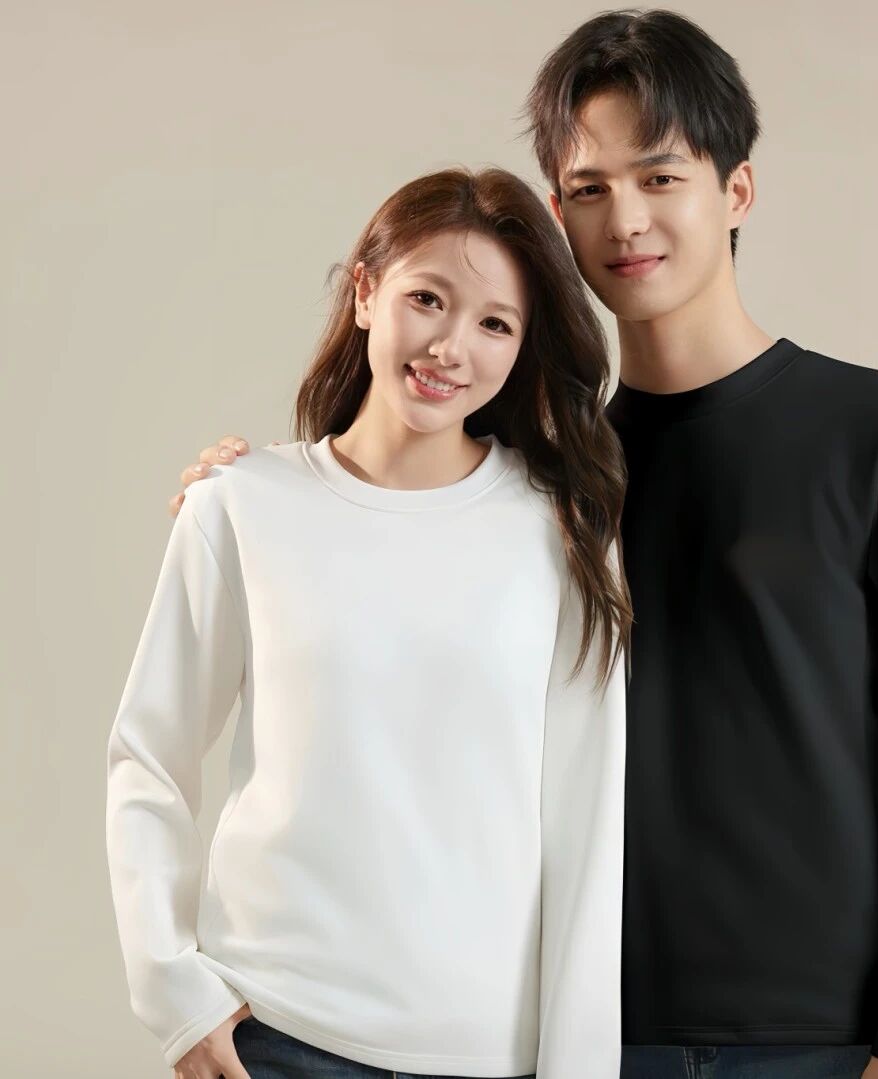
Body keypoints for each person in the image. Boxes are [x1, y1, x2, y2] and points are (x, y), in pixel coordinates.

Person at [172, 10, 878, 1079]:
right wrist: (244, 493)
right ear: (557, 215)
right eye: (589, 188)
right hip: (586, 1027)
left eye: (660, 178)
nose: (627, 219)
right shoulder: (538, 482)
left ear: (737, 190)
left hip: (828, 1036)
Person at [105, 166, 632, 1079]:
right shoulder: (240, 504)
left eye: (495, 324)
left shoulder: (562, 529)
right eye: (427, 298)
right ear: (364, 293)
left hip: (484, 1053)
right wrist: (176, 997)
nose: (450, 346)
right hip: (273, 1033)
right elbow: (147, 757)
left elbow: (587, 820)